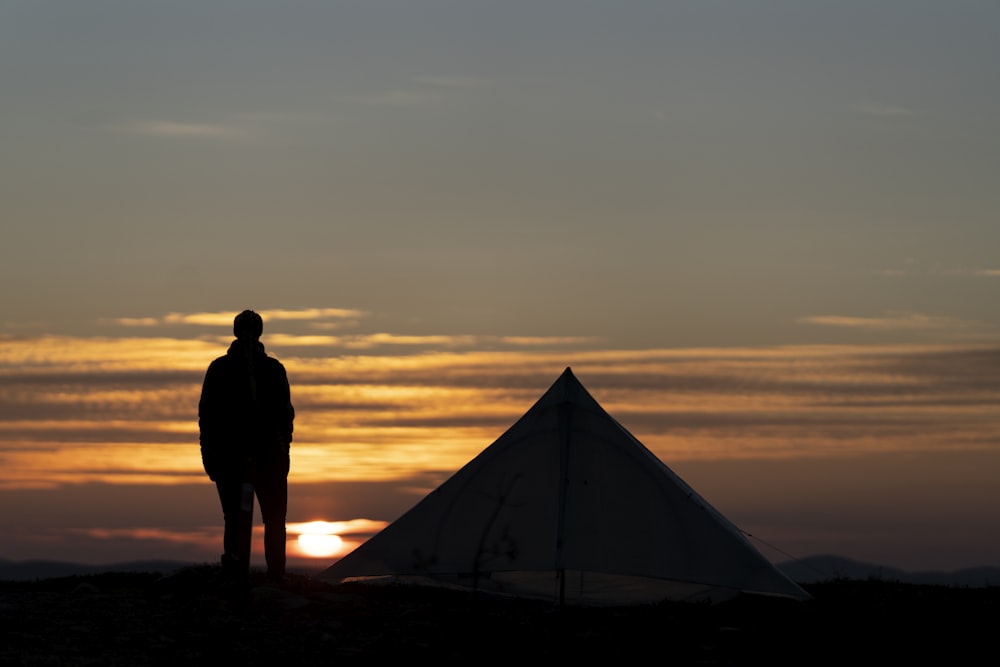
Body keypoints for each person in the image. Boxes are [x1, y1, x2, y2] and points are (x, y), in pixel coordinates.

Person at [199, 309, 295, 583]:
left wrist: (209, 454)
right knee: (268, 520)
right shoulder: (272, 369)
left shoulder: (221, 368)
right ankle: (270, 577)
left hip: (243, 457)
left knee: (244, 519)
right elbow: (286, 417)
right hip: (251, 457)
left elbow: (206, 417)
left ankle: (243, 576)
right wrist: (282, 450)